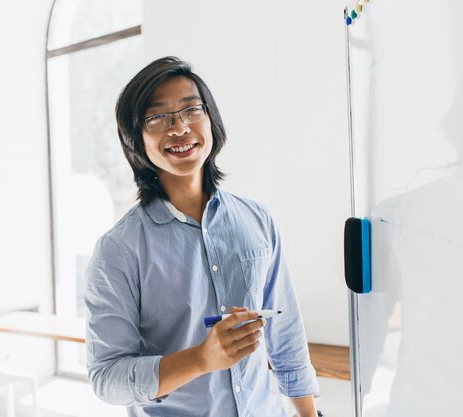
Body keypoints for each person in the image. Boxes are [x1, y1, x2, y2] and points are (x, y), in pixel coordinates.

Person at [84, 56, 321, 417]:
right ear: (137, 139)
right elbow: (106, 377)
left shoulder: (258, 219)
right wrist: (200, 359)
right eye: (157, 117)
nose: (179, 128)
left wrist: (307, 413)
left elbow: (285, 332)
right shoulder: (118, 250)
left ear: (211, 118)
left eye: (191, 110)